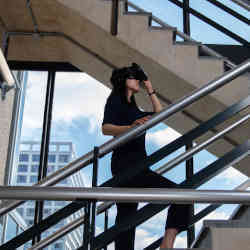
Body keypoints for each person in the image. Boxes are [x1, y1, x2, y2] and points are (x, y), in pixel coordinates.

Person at [102, 63, 189, 249]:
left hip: (139, 166)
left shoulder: (135, 108)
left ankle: (167, 244)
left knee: (126, 219)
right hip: (125, 166)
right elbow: (106, 128)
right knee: (128, 217)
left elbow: (159, 113)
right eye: (134, 78)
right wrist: (131, 128)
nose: (138, 81)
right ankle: (167, 245)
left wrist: (149, 87)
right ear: (124, 81)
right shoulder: (115, 100)